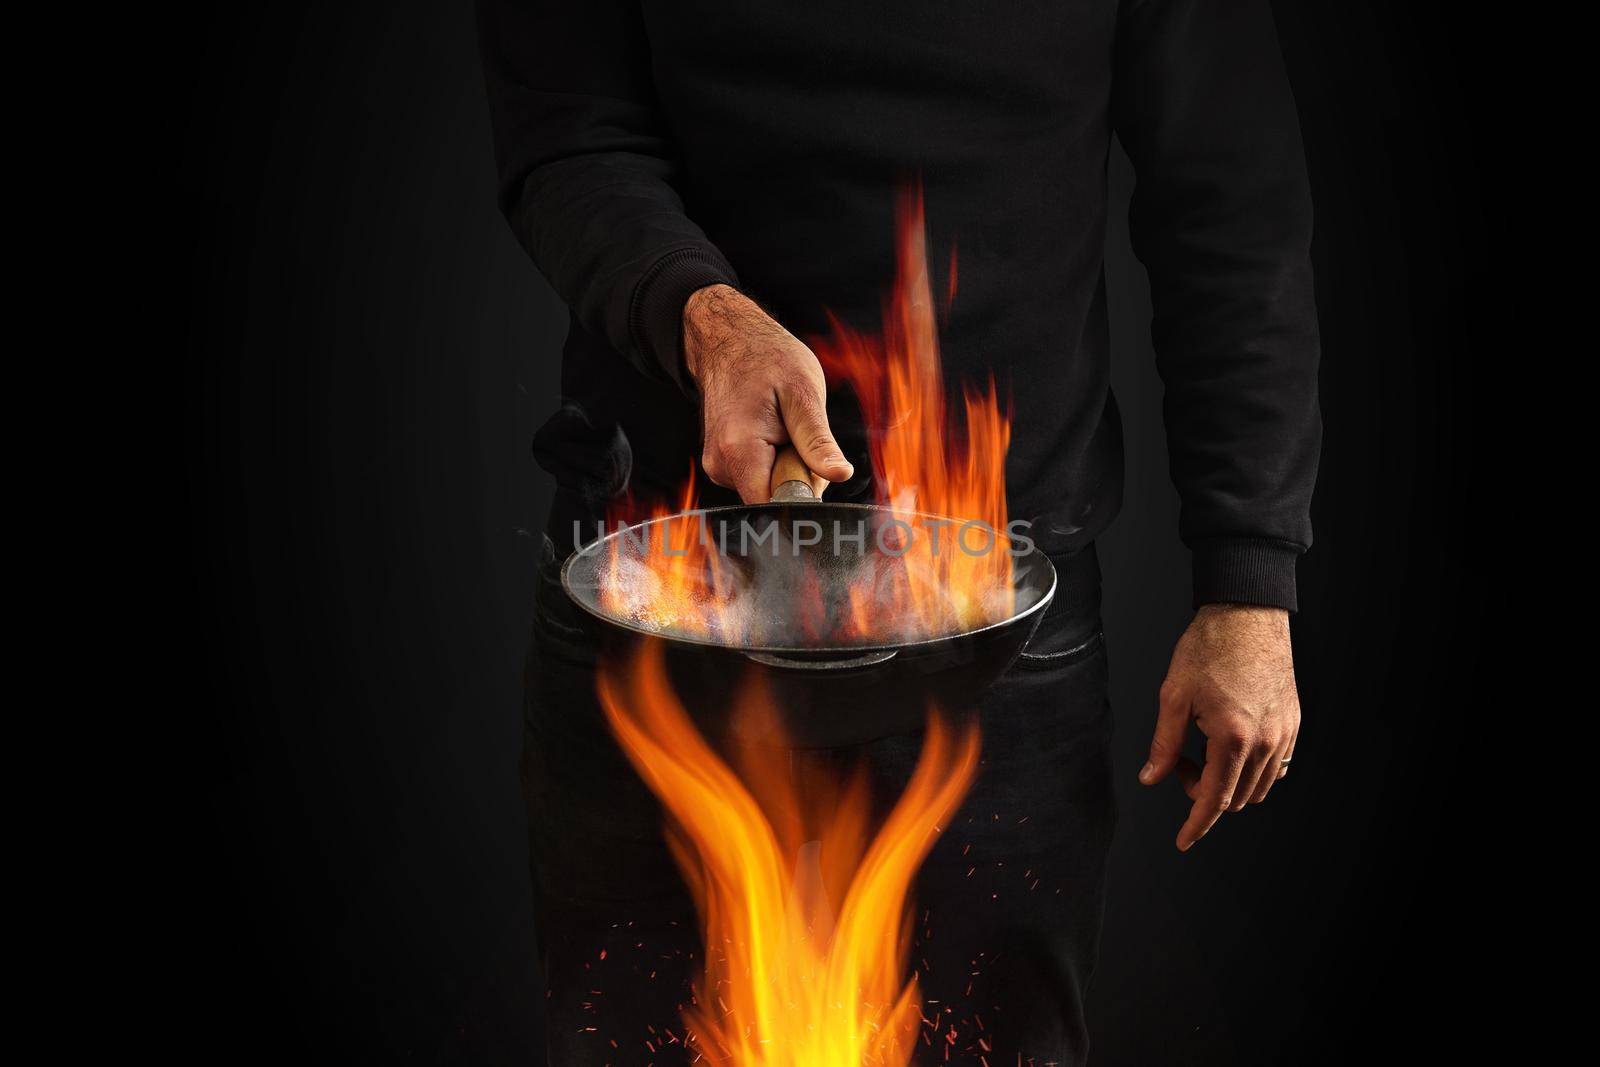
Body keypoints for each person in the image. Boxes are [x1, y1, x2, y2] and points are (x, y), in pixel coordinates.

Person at [477, 1, 1318, 1062]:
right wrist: (701, 313)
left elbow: (1230, 193)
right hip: (663, 589)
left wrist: (1248, 580)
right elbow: (567, 130)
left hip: (994, 615)